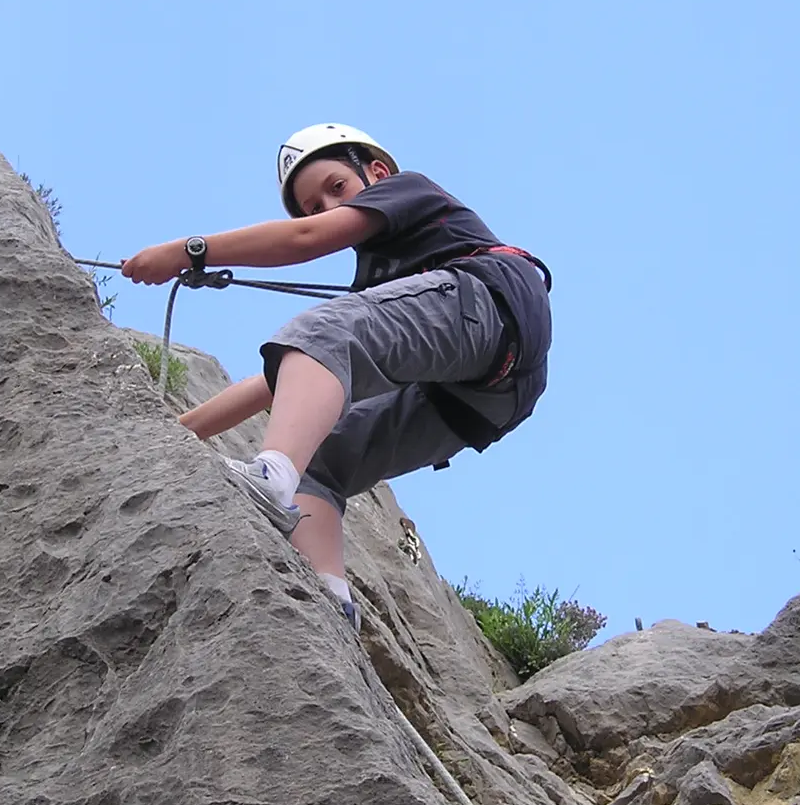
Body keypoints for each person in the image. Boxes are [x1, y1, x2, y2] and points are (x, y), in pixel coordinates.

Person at [121, 123, 552, 633]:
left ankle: (270, 475)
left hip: (486, 303)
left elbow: (306, 245)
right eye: (313, 206)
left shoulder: (408, 188)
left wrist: (190, 250)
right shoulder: (379, 285)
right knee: (320, 461)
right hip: (484, 397)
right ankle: (330, 601)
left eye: (336, 188)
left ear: (376, 172)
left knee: (324, 331)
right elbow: (280, 380)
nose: (325, 208)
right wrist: (180, 433)